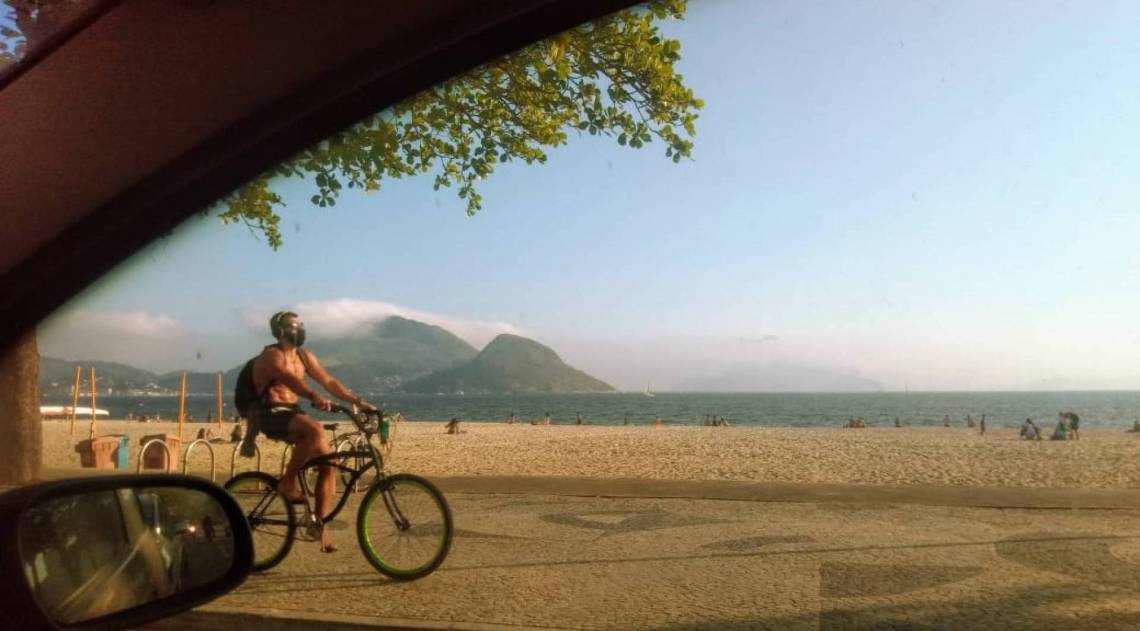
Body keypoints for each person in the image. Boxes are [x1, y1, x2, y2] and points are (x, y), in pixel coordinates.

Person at [250, 311, 377, 553]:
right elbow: (288, 379)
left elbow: (329, 382)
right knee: (315, 429)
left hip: (293, 413)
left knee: (330, 465)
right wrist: (312, 396)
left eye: (300, 324)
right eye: (292, 325)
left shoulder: (304, 357)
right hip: (270, 413)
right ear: (279, 330)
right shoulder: (271, 356)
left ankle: (319, 527)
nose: (298, 328)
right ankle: (287, 483)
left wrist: (358, 402)